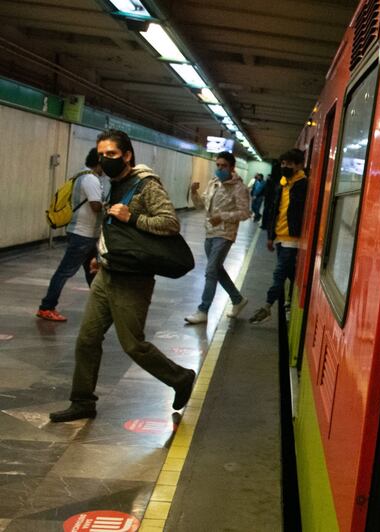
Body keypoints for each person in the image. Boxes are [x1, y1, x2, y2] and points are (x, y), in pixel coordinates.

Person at [49, 129, 196, 423]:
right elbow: (114, 230)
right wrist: (101, 258)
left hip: (134, 279)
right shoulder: (109, 184)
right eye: (102, 155)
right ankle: (82, 401)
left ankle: (180, 377)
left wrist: (134, 217)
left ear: (127, 155)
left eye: (112, 155)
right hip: (108, 273)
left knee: (133, 344)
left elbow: (170, 223)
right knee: (87, 339)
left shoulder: (145, 185)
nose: (106, 160)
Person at [36, 149, 109, 322]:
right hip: (82, 234)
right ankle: (47, 307)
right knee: (64, 271)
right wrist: (110, 206)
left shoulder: (83, 175)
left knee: (93, 271)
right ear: (99, 161)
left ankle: (103, 306)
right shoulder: (90, 178)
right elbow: (95, 206)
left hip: (87, 234)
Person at [184, 151, 251, 324]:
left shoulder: (239, 188)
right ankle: (237, 299)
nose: (220, 169)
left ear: (232, 167)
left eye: (224, 166)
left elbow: (245, 213)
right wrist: (193, 192)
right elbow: (201, 206)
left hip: (225, 234)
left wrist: (222, 216)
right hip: (210, 232)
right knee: (217, 270)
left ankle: (203, 310)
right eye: (218, 165)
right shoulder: (214, 183)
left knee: (211, 271)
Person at [249, 149, 308, 324]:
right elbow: (275, 210)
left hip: (293, 239)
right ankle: (288, 303)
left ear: (298, 165)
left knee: (279, 273)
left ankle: (267, 306)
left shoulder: (303, 185)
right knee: (289, 273)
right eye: (283, 164)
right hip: (280, 237)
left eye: (289, 164)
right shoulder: (282, 184)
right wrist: (270, 236)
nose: (285, 167)